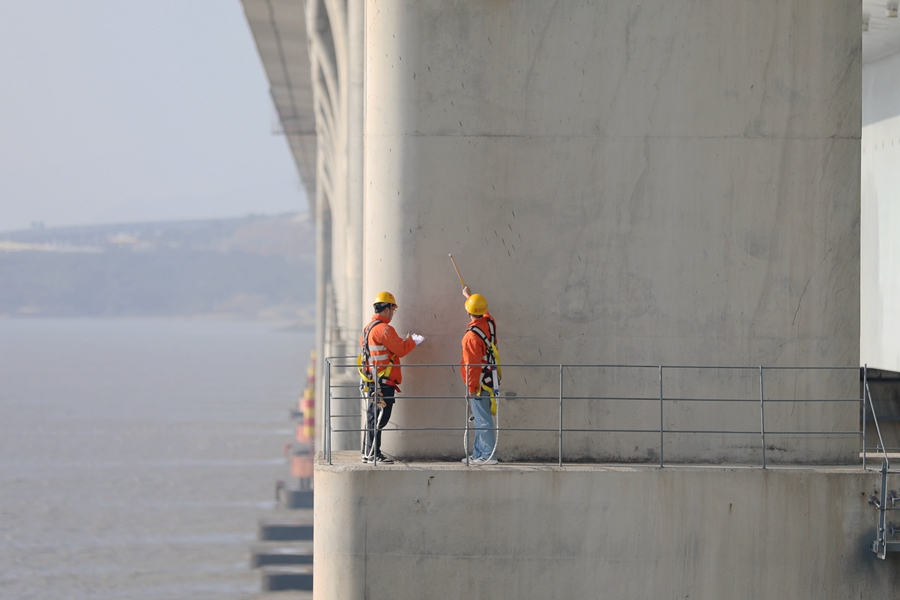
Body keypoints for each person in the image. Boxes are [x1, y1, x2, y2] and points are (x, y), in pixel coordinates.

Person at [359, 291, 425, 464]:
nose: (393, 313)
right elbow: (401, 350)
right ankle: (373, 453)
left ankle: (369, 452)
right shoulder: (385, 329)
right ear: (387, 309)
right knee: (380, 416)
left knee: (374, 416)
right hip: (383, 382)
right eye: (393, 310)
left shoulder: (368, 329)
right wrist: (413, 341)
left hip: (374, 381)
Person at [460, 285, 499, 465]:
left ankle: (488, 455)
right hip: (490, 379)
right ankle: (478, 453)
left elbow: (472, 366)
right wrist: (468, 296)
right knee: (480, 419)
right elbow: (484, 313)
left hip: (479, 383)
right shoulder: (490, 323)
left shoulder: (470, 338)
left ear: (468, 312)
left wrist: (470, 388)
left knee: (482, 419)